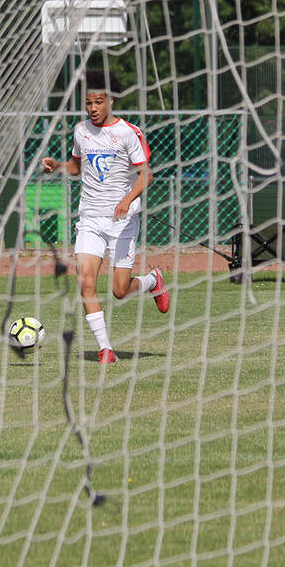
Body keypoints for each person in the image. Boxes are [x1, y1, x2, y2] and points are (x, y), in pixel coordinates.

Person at [40, 70, 170, 365]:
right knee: (86, 281)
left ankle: (152, 281)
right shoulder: (81, 131)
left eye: (99, 102)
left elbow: (145, 174)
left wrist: (127, 200)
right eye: (89, 103)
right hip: (90, 220)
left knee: (119, 290)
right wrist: (57, 166)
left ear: (111, 100)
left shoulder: (128, 133)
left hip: (122, 223)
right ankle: (105, 349)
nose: (93, 108)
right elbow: (77, 167)